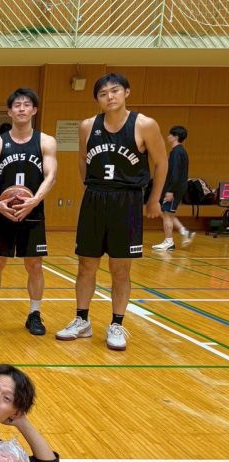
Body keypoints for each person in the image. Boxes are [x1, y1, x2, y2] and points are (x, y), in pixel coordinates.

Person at [56, 73, 167, 351]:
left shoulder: (144, 124)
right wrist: (90, 188)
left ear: (126, 92)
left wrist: (154, 200)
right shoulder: (87, 126)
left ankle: (117, 324)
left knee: (120, 268)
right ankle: (82, 320)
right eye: (103, 93)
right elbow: (82, 159)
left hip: (127, 201)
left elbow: (161, 163)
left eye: (115, 91)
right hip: (95, 199)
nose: (110, 97)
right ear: (97, 99)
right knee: (86, 265)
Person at [0, 89, 58, 336]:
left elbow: (51, 176)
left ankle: (34, 314)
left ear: (34, 110)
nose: (22, 108)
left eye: (27, 104)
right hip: (3, 212)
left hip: (32, 212)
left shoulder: (45, 141)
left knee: (35, 265)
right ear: (9, 111)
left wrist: (34, 201)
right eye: (17, 105)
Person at [152, 125, 193, 252]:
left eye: (170, 134)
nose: (168, 136)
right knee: (168, 213)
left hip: (174, 189)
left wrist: (170, 191)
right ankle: (185, 232)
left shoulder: (176, 153)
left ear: (176, 137)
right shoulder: (180, 151)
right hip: (177, 187)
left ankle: (169, 242)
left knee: (166, 215)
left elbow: (175, 174)